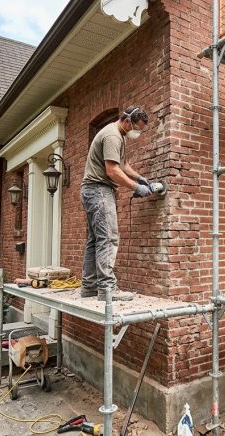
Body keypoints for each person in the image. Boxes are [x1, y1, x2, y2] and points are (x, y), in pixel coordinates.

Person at [79, 106, 154, 301]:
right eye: (137, 128)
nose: (137, 133)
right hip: (99, 190)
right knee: (108, 238)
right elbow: (112, 171)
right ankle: (107, 289)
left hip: (91, 190)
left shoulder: (118, 135)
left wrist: (141, 179)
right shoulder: (112, 136)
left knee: (95, 240)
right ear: (127, 121)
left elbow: (123, 165)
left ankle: (89, 287)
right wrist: (136, 188)